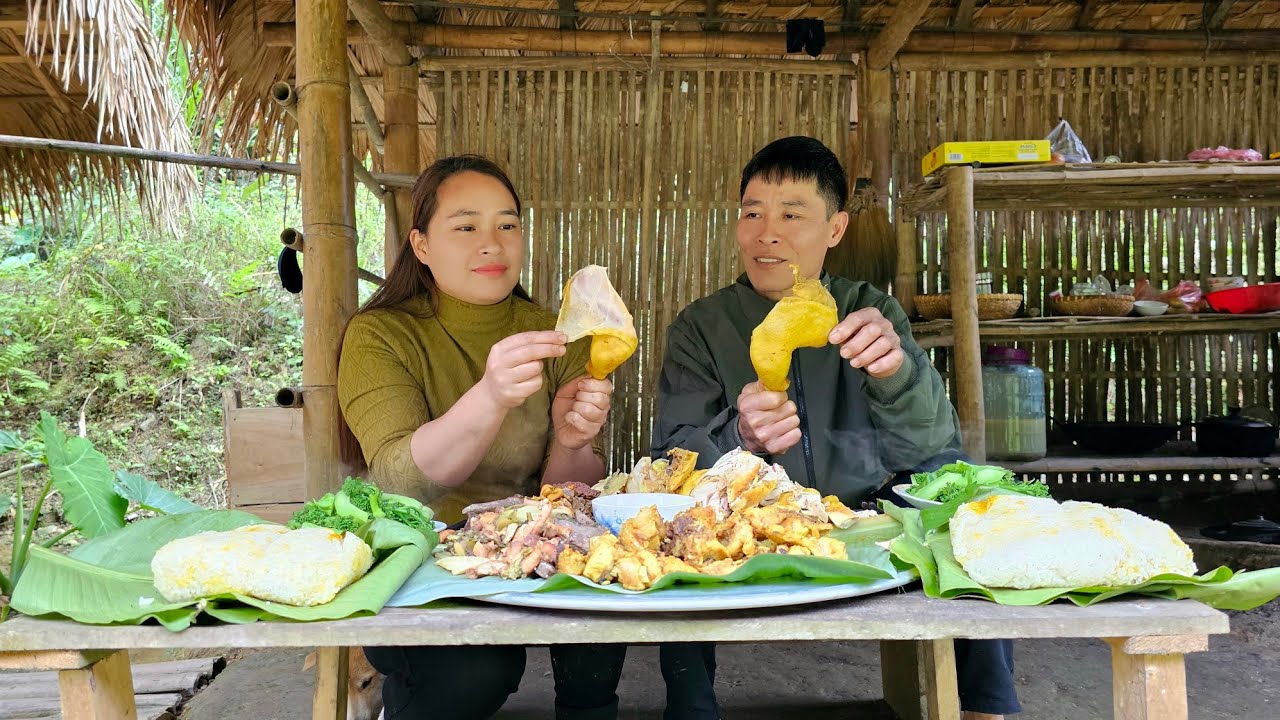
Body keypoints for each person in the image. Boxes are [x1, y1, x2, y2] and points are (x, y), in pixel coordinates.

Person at [651, 136, 1022, 720]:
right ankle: (692, 707)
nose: (766, 233)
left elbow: (929, 448)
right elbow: (670, 459)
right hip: (750, 527)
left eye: (792, 215)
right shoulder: (703, 325)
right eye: (752, 213)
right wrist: (737, 436)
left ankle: (986, 707)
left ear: (836, 229)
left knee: (968, 495)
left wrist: (895, 370)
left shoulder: (868, 311)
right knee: (672, 519)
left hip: (866, 519)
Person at [337, 155, 626, 720]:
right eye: (466, 226)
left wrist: (572, 440)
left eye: (507, 225)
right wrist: (489, 396)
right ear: (421, 245)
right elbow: (401, 477)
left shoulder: (556, 332)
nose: (491, 244)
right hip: (415, 557)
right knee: (478, 670)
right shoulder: (380, 335)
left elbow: (571, 496)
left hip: (526, 548)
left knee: (603, 612)